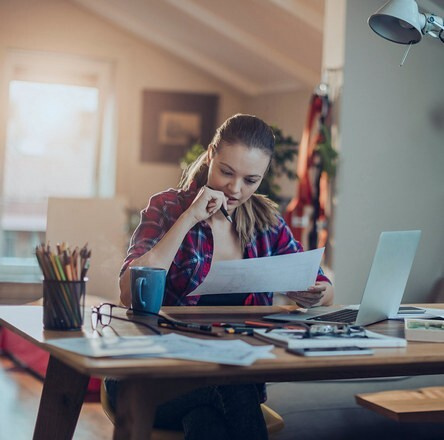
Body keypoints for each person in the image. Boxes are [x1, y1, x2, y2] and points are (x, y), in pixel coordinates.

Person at [108, 113, 334, 440]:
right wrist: (188, 219)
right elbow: (130, 293)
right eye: (227, 172)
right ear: (212, 154)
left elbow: (322, 285)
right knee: (232, 386)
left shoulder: (266, 222)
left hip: (225, 379)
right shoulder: (168, 206)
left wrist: (314, 293)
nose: (235, 188)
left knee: (207, 422)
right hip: (151, 377)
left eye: (250, 180)